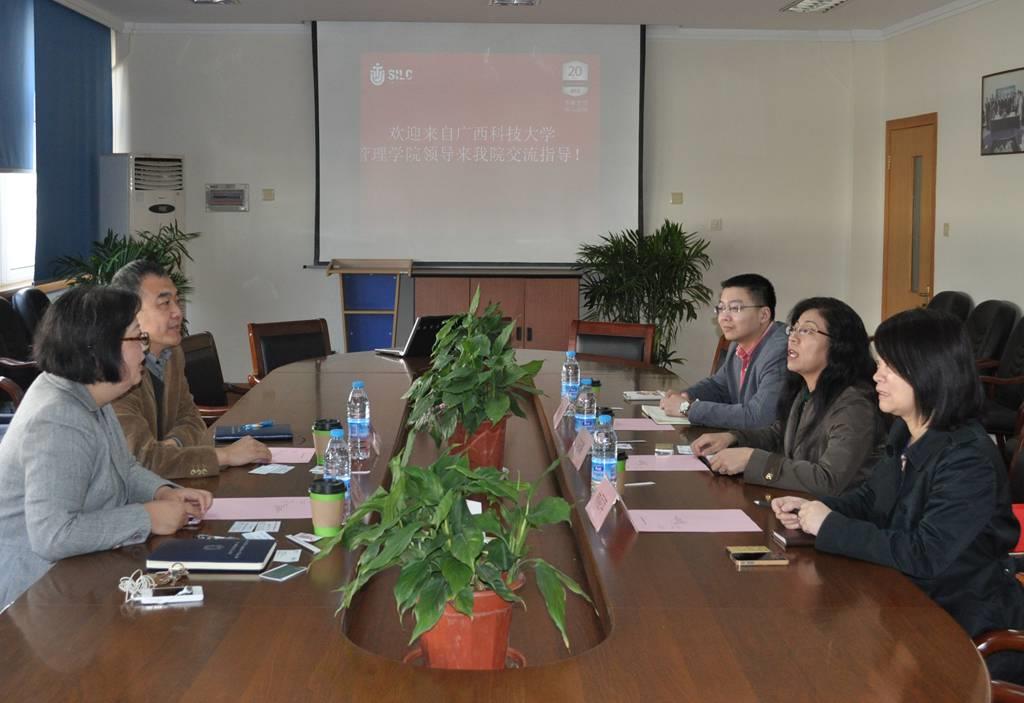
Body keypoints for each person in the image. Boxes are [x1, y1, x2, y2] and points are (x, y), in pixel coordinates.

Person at [772, 308, 1024, 684]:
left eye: (890, 366)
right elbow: (871, 500)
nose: (877, 375)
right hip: (905, 604)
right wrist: (816, 508)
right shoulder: (906, 432)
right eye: (879, 364)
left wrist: (830, 526)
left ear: (928, 371)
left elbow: (924, 555)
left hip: (964, 628)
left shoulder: (967, 459)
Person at [0, 286, 213, 608]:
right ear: (100, 348)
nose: (144, 351)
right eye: (138, 339)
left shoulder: (89, 392)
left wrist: (163, 492)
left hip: (80, 572)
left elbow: (123, 466)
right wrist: (146, 517)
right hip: (37, 595)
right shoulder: (57, 419)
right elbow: (53, 535)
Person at [691, 297, 885, 495]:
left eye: (807, 331)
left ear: (839, 345)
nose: (792, 338)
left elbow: (828, 480)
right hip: (799, 504)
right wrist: (733, 438)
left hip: (834, 511)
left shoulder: (854, 405)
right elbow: (781, 434)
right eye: (793, 329)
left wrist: (752, 460)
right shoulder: (807, 391)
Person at [110, 260, 270, 479]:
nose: (178, 312)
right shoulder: (114, 371)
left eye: (177, 301)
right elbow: (142, 461)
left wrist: (172, 446)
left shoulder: (172, 354)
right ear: (130, 314)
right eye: (165, 303)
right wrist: (224, 456)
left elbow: (192, 419)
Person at [660, 273, 787, 429]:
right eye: (721, 308)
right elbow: (719, 386)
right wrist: (686, 395)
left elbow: (758, 417)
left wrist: (687, 408)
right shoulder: (738, 344)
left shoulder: (781, 352)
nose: (723, 317)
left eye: (734, 308)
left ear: (763, 315)